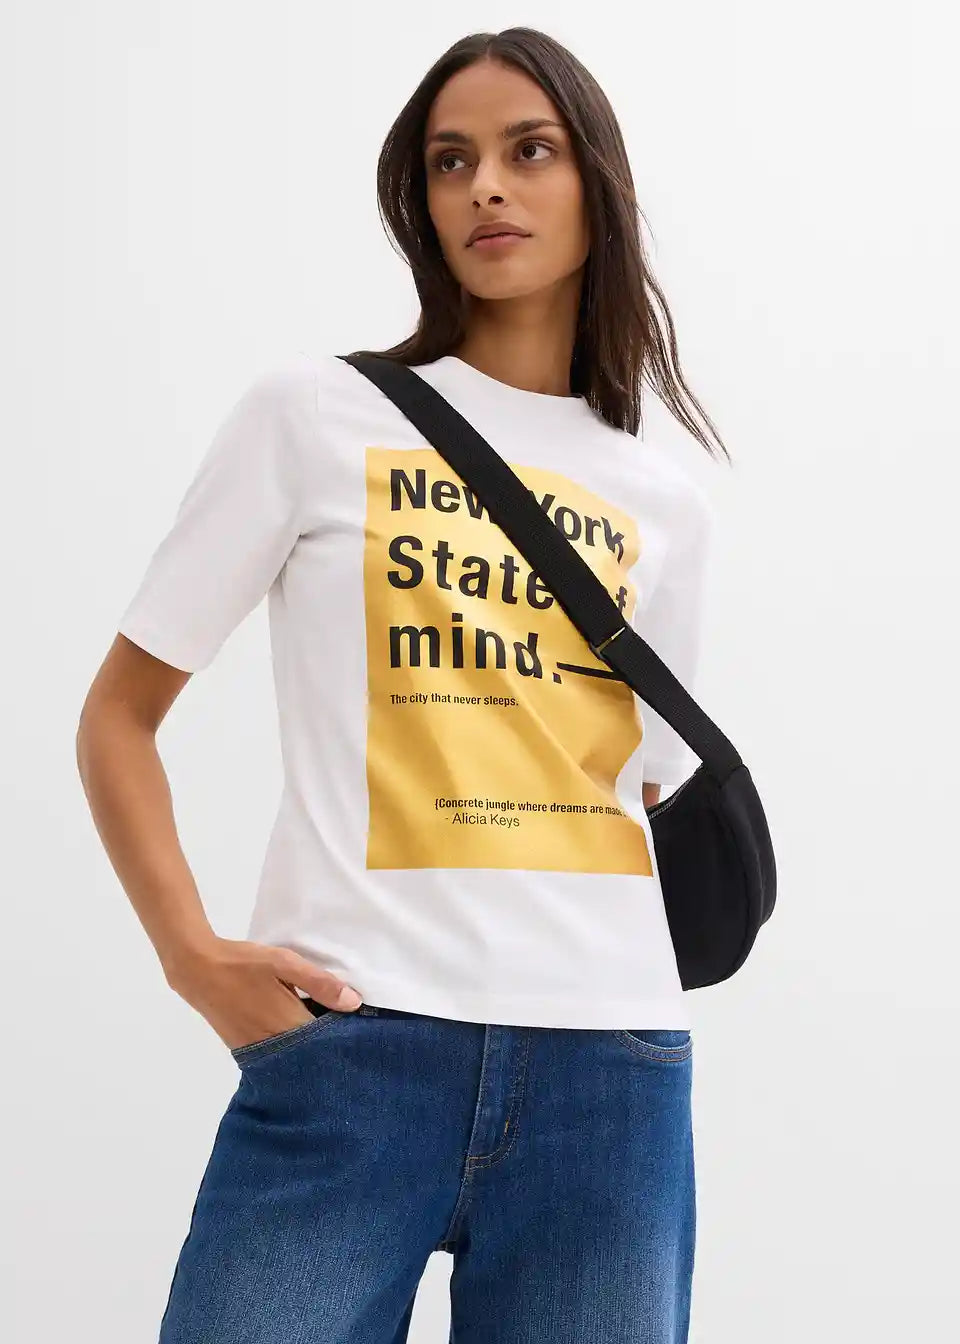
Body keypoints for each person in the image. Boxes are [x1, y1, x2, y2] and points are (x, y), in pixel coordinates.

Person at [76, 26, 729, 1344]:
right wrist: (191, 956)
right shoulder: (315, 415)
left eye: (528, 151)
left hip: (610, 1072)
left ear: (596, 184)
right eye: (450, 160)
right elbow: (118, 717)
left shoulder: (664, 495)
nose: (486, 185)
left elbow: (644, 780)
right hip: (353, 1045)